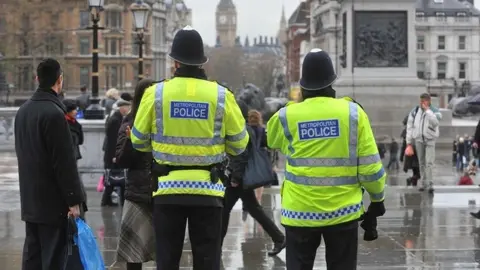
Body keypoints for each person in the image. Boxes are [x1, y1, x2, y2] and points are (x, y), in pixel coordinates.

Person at [130, 26, 249, 270]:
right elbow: (239, 144)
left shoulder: (156, 93)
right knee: (207, 260)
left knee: (167, 259)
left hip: (167, 189)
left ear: (175, 62)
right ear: (202, 62)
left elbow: (138, 141)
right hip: (209, 189)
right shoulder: (221, 95)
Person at [267, 49, 386, 270]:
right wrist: (377, 199)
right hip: (343, 213)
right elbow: (371, 167)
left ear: (303, 85)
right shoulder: (353, 113)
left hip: (299, 213)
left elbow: (272, 141)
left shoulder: (286, 116)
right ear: (332, 81)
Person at [15, 58, 84, 269]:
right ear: (59, 80)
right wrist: (73, 200)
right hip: (53, 203)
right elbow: (64, 162)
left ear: (37, 79)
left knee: (33, 258)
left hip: (30, 199)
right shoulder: (54, 114)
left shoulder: (23, 111)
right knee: (54, 259)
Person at [222, 101, 285, 256]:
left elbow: (241, 155)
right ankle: (279, 238)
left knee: (224, 210)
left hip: (239, 178)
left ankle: (216, 245)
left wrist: (235, 177)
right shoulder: (250, 130)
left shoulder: (242, 130)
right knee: (253, 209)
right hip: (243, 177)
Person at [115, 79, 156, 270]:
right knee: (133, 253)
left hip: (161, 191)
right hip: (138, 192)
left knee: (165, 252)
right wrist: (132, 141)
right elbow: (121, 160)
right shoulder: (129, 121)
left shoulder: (163, 121)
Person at [405, 93, 442, 194]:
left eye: (424, 101)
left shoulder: (435, 111)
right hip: (419, 140)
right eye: (421, 101)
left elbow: (435, 122)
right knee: (421, 163)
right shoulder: (415, 111)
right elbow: (409, 126)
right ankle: (423, 183)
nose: (422, 103)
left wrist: (428, 111)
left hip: (430, 139)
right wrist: (409, 142)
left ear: (429, 101)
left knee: (429, 162)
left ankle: (430, 183)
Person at [102, 99, 131, 207]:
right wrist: (115, 155)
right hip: (112, 155)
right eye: (127, 107)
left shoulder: (116, 118)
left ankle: (111, 200)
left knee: (114, 178)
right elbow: (114, 140)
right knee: (113, 178)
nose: (128, 109)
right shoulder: (115, 120)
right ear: (122, 108)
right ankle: (106, 200)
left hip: (112, 154)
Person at [63, 99, 88, 219]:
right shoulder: (64, 124)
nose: (76, 111)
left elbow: (81, 140)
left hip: (74, 156)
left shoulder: (76, 124)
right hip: (68, 158)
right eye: (73, 109)